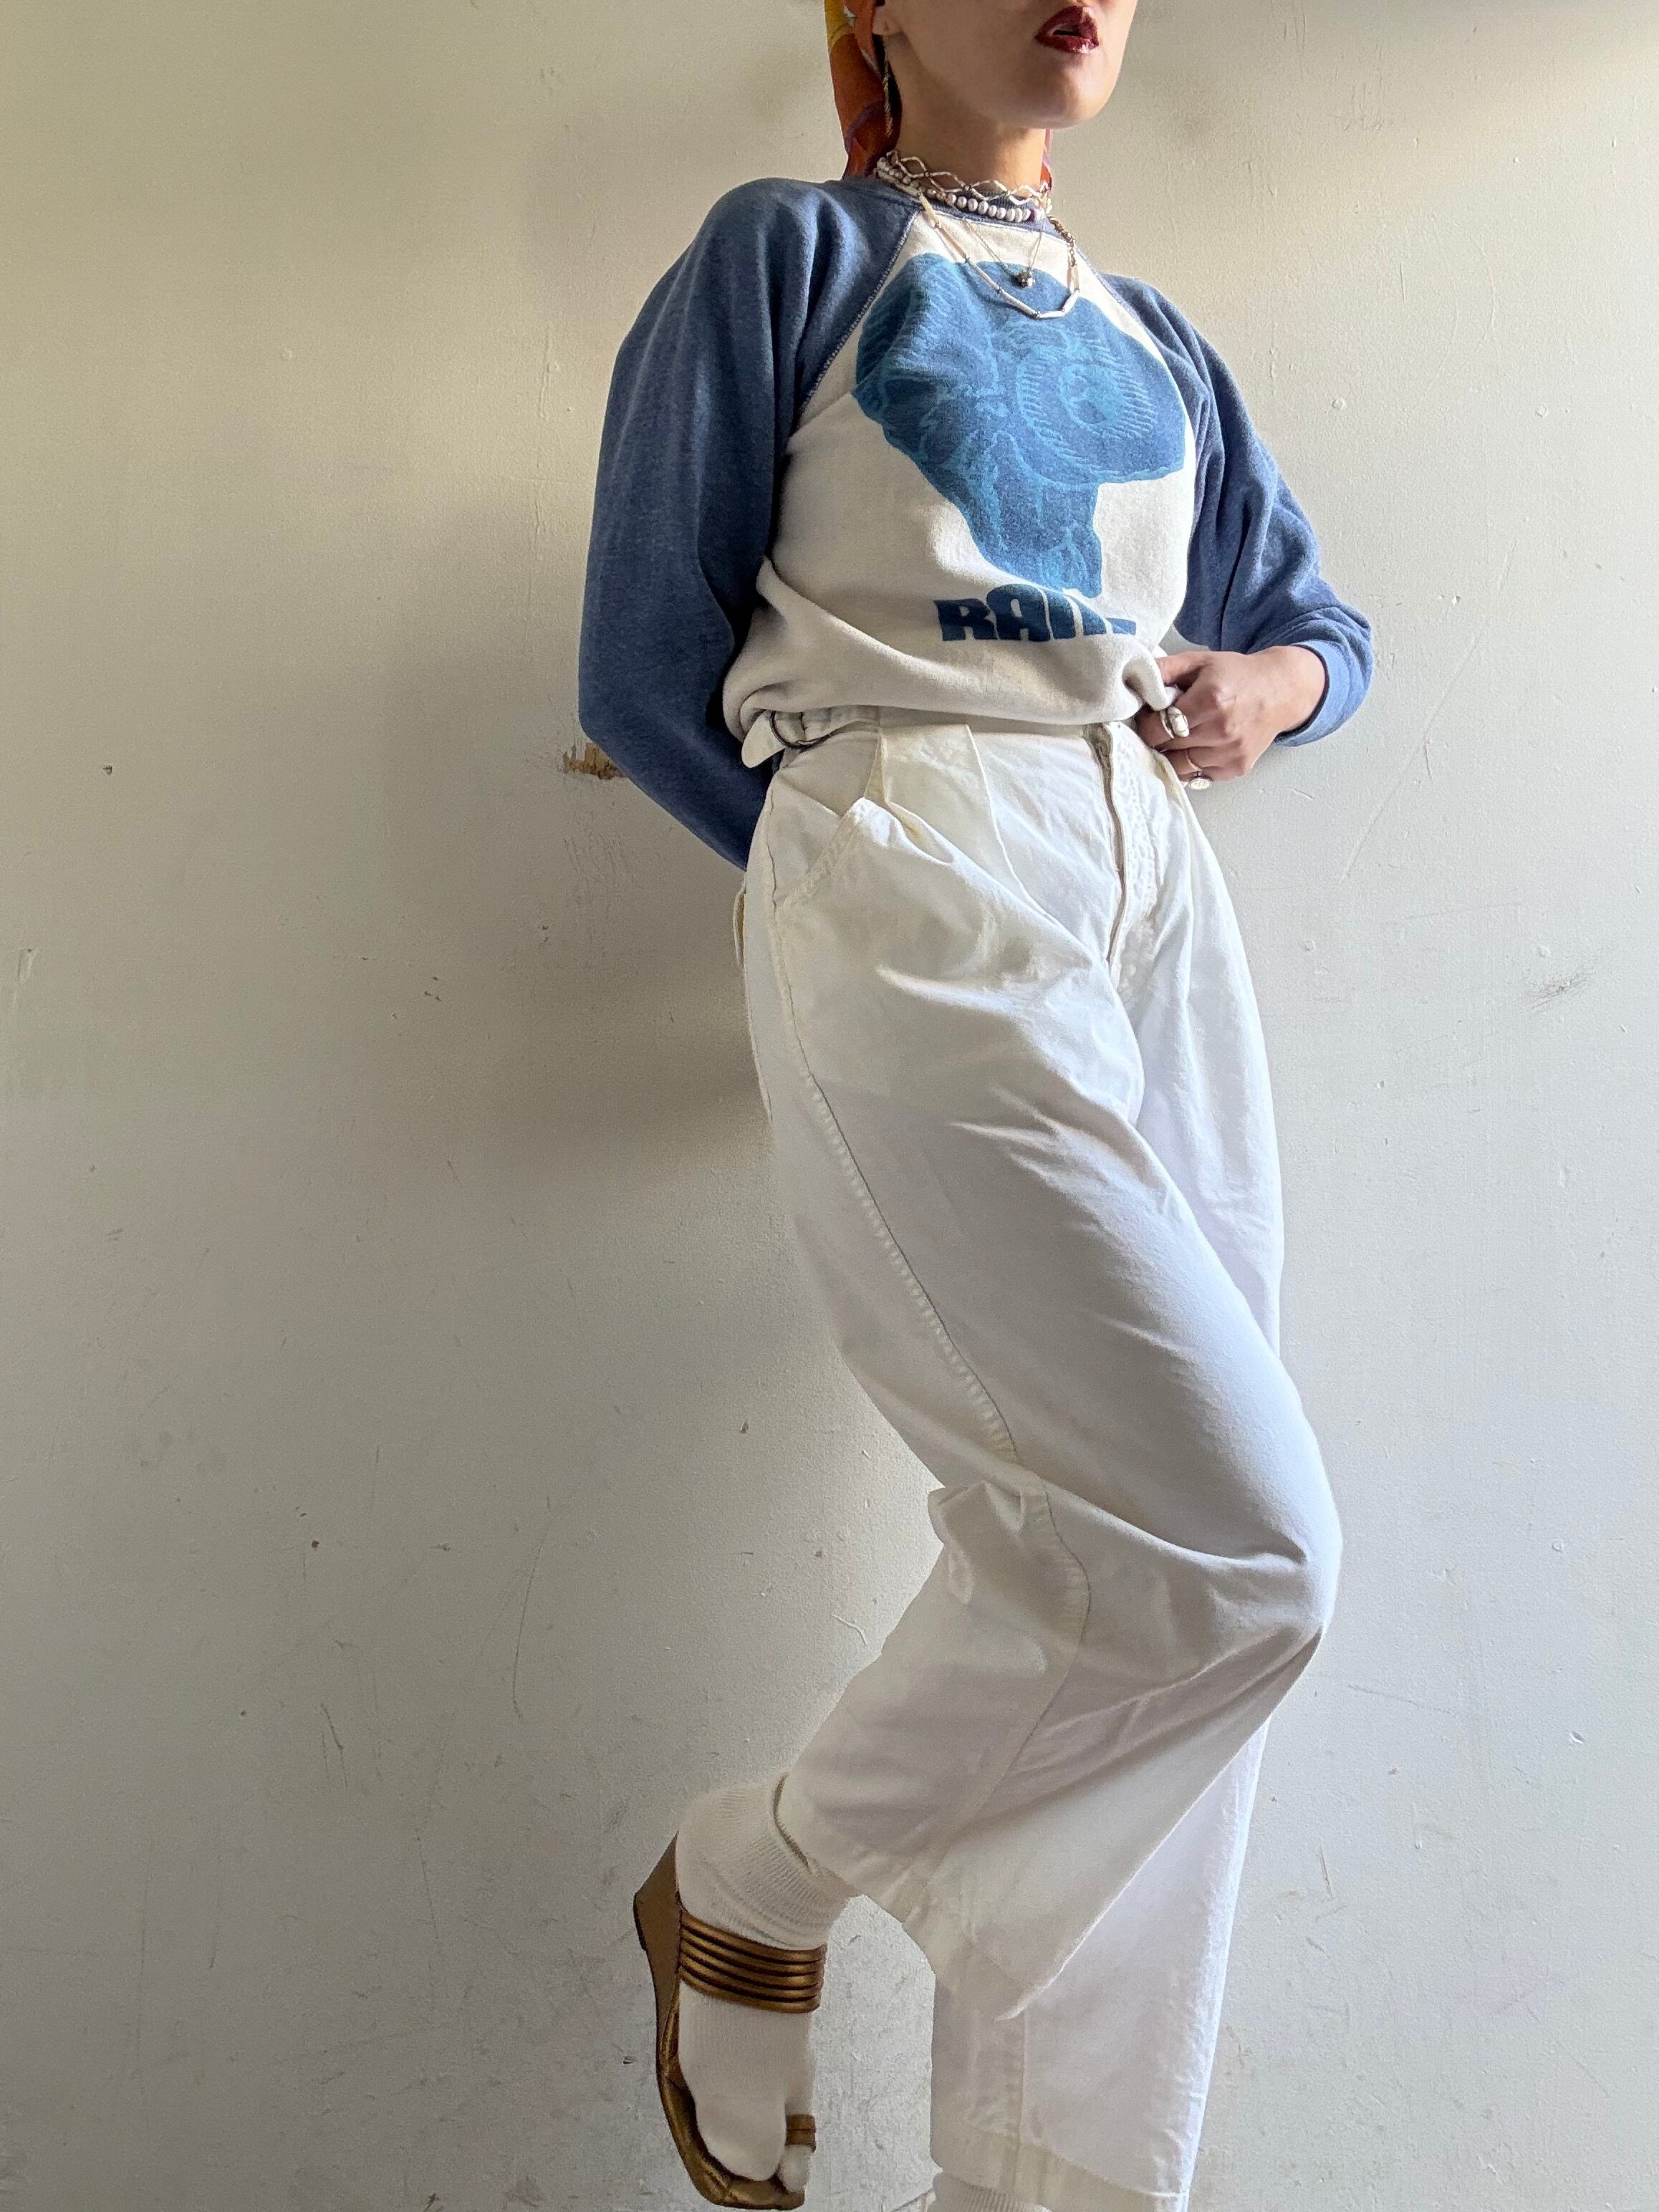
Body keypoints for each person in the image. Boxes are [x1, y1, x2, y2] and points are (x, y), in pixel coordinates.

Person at [579, 4, 1375, 2209]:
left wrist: (1267, 684)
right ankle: (761, 1869)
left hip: (1156, 904)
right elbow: (639, 661)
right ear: (877, 16)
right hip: (908, 846)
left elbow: (1314, 620)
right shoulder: (786, 253)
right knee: (1243, 1553)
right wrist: (844, 882)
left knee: (1137, 1566)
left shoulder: (1155, 332)